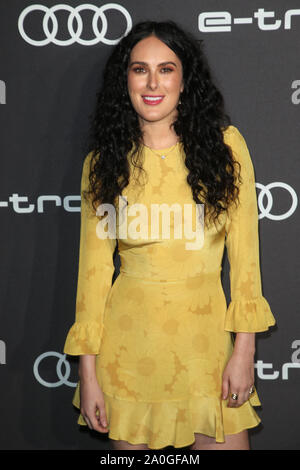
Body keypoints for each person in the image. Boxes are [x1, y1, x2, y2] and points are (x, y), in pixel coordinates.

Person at [63, 20, 276, 451]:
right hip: (128, 355)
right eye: (140, 69)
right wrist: (88, 374)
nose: (153, 82)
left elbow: (246, 261)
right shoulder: (104, 163)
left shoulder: (226, 149)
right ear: (125, 81)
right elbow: (93, 274)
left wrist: (244, 352)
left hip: (209, 353)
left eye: (167, 69)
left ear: (185, 78)